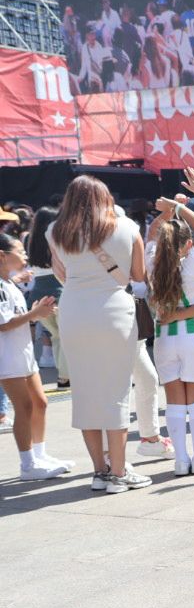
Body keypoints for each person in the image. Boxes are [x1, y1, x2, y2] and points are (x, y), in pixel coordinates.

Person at [48, 175, 149, 492]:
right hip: (114, 311)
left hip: (74, 311)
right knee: (117, 390)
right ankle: (119, 473)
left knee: (85, 391)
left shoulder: (56, 231)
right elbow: (138, 275)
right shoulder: (128, 227)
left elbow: (61, 273)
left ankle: (100, 471)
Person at [144, 180, 194, 475]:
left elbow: (151, 232)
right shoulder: (192, 266)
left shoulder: (152, 262)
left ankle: (180, 460)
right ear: (188, 244)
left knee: (174, 402)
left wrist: (166, 214)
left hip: (164, 341)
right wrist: (178, 208)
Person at [0, 232, 72, 479]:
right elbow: (3, 324)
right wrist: (34, 314)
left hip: (23, 354)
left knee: (39, 403)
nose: (25, 255)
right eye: (20, 251)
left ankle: (39, 455)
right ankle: (27, 464)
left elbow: (15, 318)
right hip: (7, 357)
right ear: (2, 256)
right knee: (24, 406)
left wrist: (35, 312)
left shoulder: (9, 283)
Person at [24, 207, 69, 390]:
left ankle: (63, 375)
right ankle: (65, 376)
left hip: (38, 292)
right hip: (58, 288)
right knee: (65, 336)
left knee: (56, 335)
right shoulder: (57, 238)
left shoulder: (29, 239)